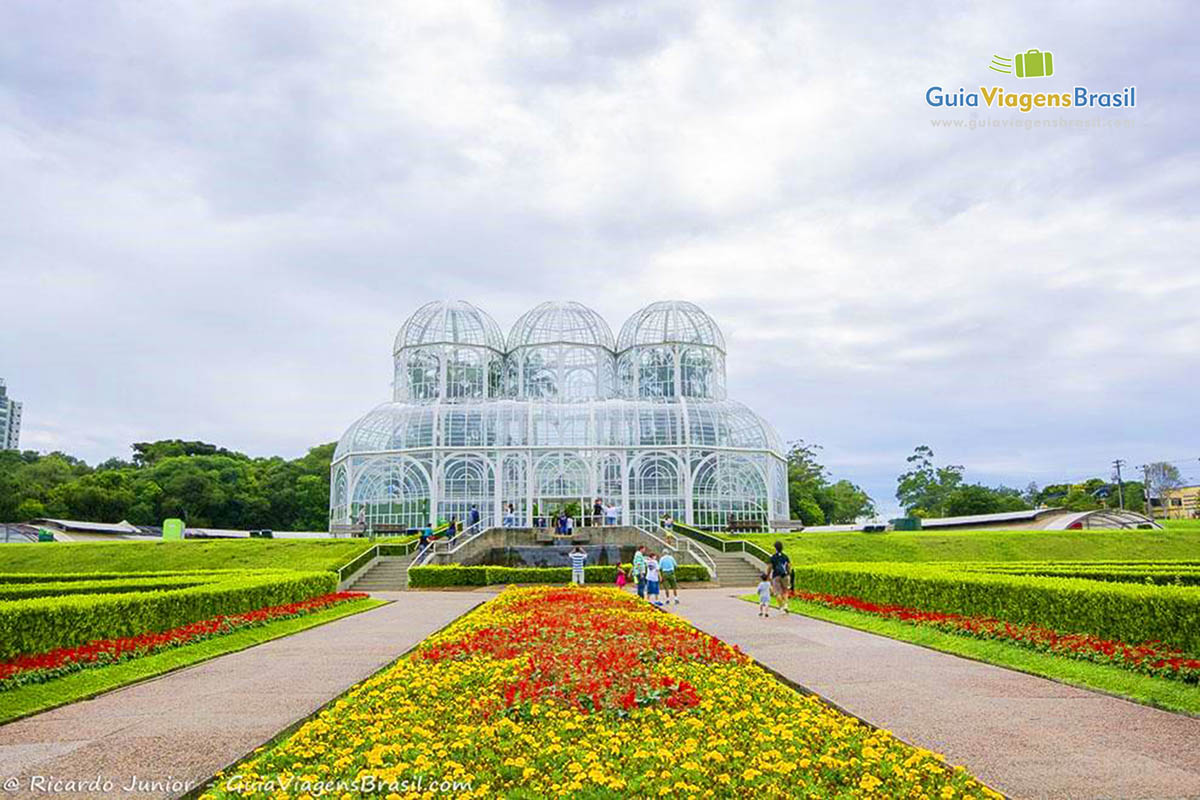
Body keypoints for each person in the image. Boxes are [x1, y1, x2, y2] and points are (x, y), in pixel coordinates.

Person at [768, 540, 792, 614]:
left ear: (775, 548)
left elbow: (770, 567)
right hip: (785, 575)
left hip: (776, 576)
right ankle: (786, 605)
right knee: (785, 591)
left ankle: (781, 607)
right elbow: (789, 566)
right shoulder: (785, 556)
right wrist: (788, 573)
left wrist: (768, 575)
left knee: (777, 592)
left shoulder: (773, 557)